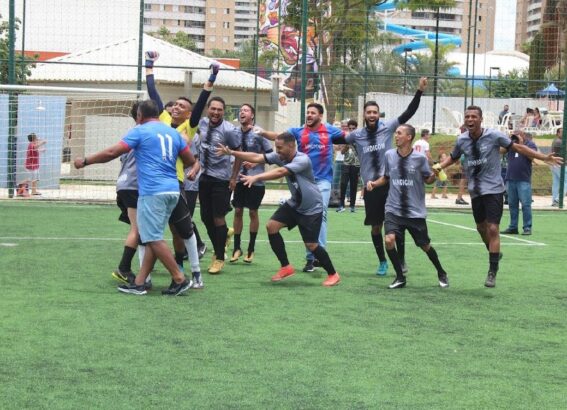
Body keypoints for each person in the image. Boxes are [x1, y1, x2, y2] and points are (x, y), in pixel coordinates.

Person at [74, 99, 196, 296]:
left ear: (139, 116)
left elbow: (112, 152)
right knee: (152, 236)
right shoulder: (173, 133)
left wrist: (85, 161)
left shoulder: (140, 131)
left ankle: (179, 278)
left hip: (152, 191)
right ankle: (139, 283)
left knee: (152, 237)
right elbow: (190, 160)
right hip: (173, 190)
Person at [434, 106, 563, 288]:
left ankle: (492, 271)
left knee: (493, 228)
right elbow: (454, 157)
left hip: (494, 189)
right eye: (467, 116)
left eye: (474, 116)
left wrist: (543, 157)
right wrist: (440, 166)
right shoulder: (462, 140)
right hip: (475, 191)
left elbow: (517, 147)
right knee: (481, 228)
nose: (470, 119)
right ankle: (494, 253)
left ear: (481, 119)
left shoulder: (493, 135)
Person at [217, 132, 341, 287]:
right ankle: (286, 267)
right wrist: (232, 152)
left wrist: (256, 177)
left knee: (311, 245)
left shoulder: (302, 159)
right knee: (272, 226)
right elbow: (257, 157)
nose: (277, 150)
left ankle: (333, 274)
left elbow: (281, 172)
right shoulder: (281, 156)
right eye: (276, 147)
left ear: (291, 146)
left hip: (311, 208)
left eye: (280, 147)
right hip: (295, 204)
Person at [345, 77, 428, 276]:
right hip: (371, 187)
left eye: (375, 112)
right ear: (364, 114)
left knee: (398, 224)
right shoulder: (356, 135)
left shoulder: (389, 127)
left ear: (378, 114)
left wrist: (419, 91)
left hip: (391, 184)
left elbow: (408, 112)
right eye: (369, 112)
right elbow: (336, 138)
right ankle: (382, 261)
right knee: (376, 227)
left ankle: (401, 260)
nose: (372, 115)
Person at [145, 50, 213, 287]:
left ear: (188, 113)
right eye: (175, 105)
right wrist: (149, 66)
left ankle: (191, 272)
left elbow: (201, 103)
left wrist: (211, 79)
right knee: (150, 231)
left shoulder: (189, 126)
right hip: (155, 182)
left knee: (180, 231)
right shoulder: (162, 119)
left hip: (176, 182)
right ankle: (147, 277)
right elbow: (153, 93)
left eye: (182, 106)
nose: (176, 107)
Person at [255, 103, 346, 273]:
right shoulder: (298, 131)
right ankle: (311, 257)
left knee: (321, 214)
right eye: (308, 112)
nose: (309, 115)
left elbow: (349, 137)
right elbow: (279, 137)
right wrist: (262, 133)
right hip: (304, 180)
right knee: (305, 215)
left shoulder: (330, 130)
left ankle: (317, 257)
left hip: (323, 181)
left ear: (320, 116)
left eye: (313, 113)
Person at [366, 124, 449, 289]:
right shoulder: (389, 155)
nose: (396, 136)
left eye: (399, 133)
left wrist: (436, 174)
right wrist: (374, 184)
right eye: (396, 133)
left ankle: (441, 272)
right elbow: (386, 177)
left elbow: (428, 179)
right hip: (393, 208)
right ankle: (400, 277)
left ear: (409, 137)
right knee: (389, 240)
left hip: (414, 212)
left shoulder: (420, 158)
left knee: (425, 246)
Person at [197, 96, 242, 274]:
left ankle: (219, 257)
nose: (216, 112)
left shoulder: (229, 130)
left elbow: (239, 154)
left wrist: (233, 177)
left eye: (219, 109)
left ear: (224, 111)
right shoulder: (202, 124)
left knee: (218, 218)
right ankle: (223, 237)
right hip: (204, 177)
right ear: (208, 109)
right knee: (205, 217)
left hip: (222, 179)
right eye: (213, 109)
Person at [229, 103, 273, 264]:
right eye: (241, 110)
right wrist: (233, 178)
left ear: (252, 115)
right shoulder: (234, 133)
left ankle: (251, 248)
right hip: (240, 178)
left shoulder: (258, 132)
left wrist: (255, 162)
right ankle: (236, 248)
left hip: (256, 179)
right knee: (238, 210)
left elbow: (270, 154)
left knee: (253, 212)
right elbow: (233, 154)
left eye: (246, 110)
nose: (242, 112)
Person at [110, 102, 148, 287]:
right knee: (138, 229)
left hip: (124, 184)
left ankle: (142, 269)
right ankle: (124, 268)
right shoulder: (145, 133)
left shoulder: (131, 134)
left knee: (140, 229)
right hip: (133, 185)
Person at [501, 131, 537, 235]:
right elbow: (501, 150)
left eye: (517, 135)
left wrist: (521, 144)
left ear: (523, 135)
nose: (515, 137)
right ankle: (513, 227)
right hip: (510, 178)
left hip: (523, 179)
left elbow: (532, 157)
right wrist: (508, 141)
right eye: (514, 135)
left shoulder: (530, 144)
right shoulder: (511, 144)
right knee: (512, 204)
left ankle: (527, 227)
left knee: (525, 204)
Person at [337, 119, 360, 213]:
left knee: (354, 185)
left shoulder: (360, 138)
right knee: (343, 184)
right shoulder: (345, 138)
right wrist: (347, 145)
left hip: (356, 164)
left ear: (356, 128)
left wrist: (354, 144)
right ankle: (341, 205)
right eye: (350, 128)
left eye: (353, 128)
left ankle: (352, 206)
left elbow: (362, 152)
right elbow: (342, 152)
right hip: (346, 164)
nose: (351, 130)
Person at [550, 127, 567, 207]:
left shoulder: (557, 140)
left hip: (556, 164)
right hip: (560, 165)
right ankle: (557, 199)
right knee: (565, 182)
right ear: (557, 133)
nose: (564, 134)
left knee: (556, 183)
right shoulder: (559, 142)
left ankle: (555, 200)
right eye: (561, 132)